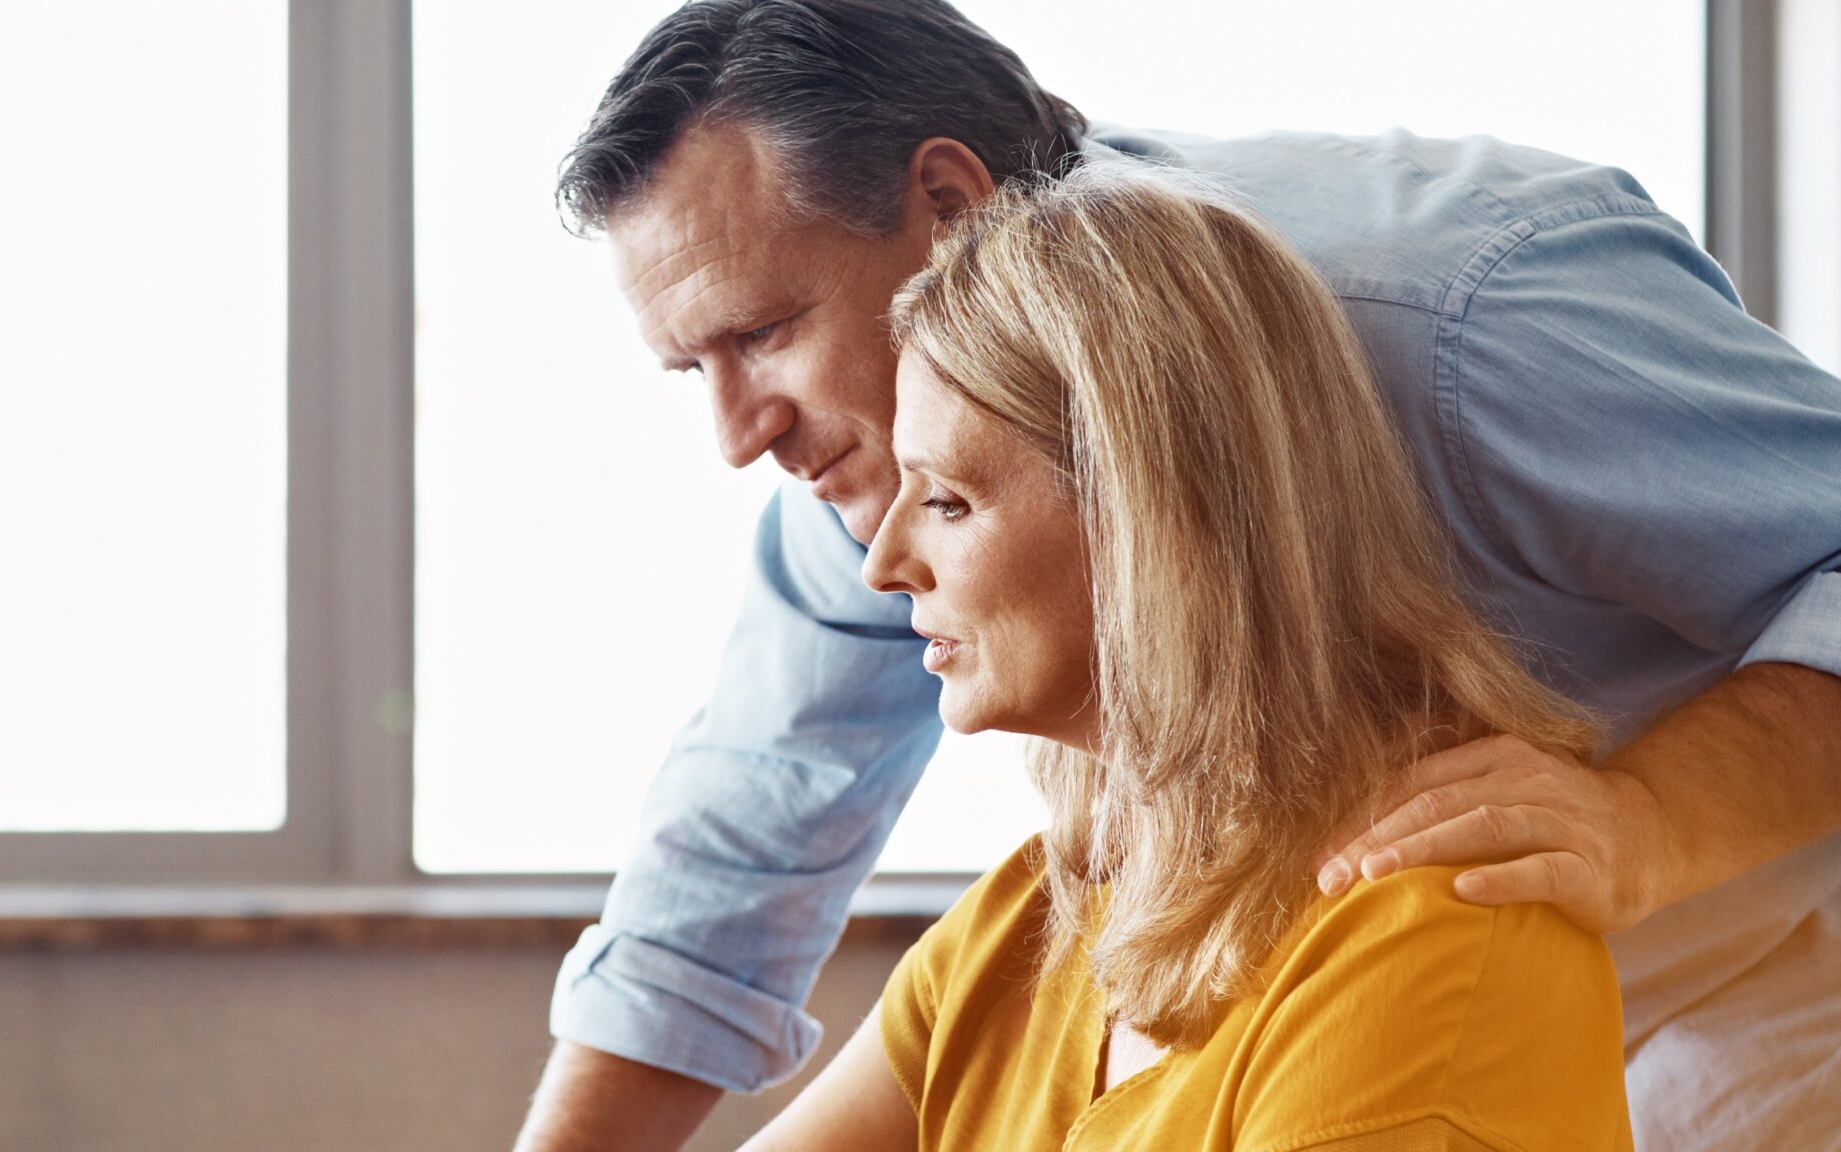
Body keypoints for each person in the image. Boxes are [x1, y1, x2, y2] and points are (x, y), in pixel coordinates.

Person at [514, 3, 1841, 1150]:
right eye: (697, 369)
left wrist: (1646, 820)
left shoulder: (1453, 319)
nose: (739, 433)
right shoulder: (876, 435)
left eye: (760, 333)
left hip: (1773, 958)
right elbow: (734, 861)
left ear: (949, 203)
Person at [737, 155, 1630, 1152]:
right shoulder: (1028, 921)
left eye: (948, 499)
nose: (885, 565)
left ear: (1158, 518)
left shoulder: (1435, 946)